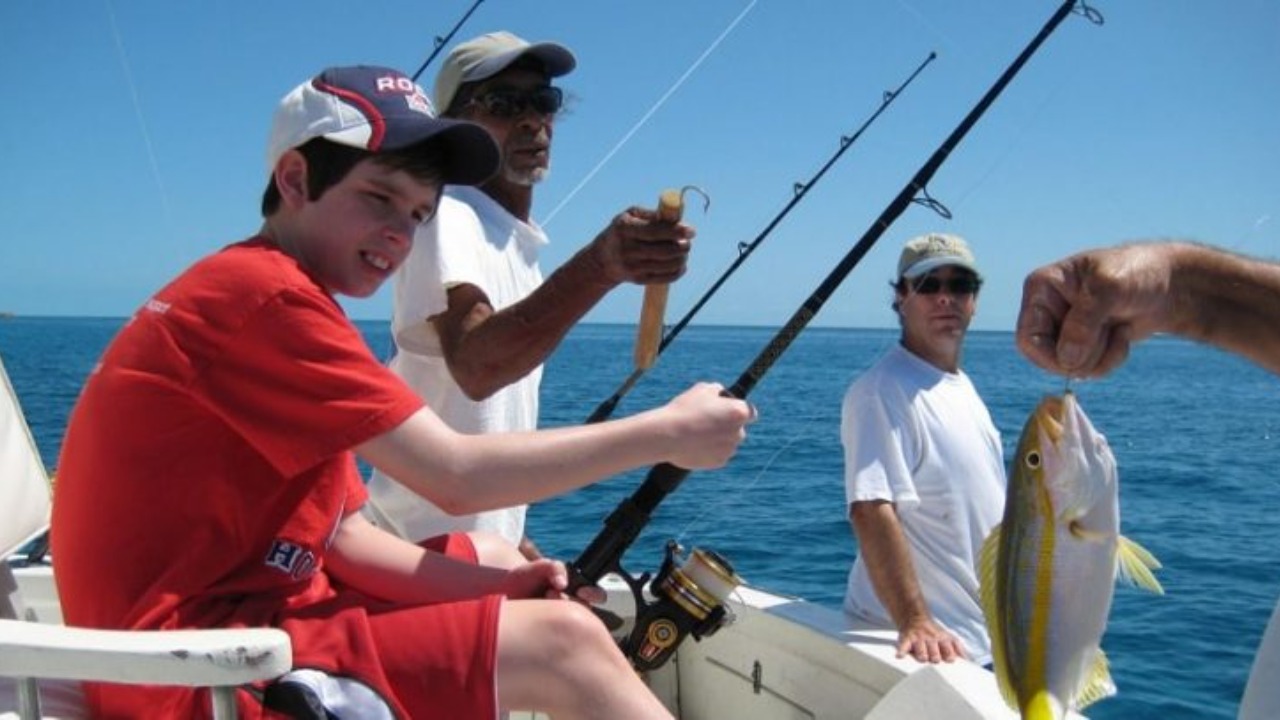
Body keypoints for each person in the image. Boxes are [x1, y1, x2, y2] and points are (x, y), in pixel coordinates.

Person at [49, 64, 752, 720]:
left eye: (418, 213)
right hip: (190, 670)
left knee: (499, 557)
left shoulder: (276, 295)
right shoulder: (265, 300)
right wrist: (667, 432)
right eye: (379, 198)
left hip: (252, 628)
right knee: (563, 644)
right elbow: (455, 477)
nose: (398, 232)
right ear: (294, 179)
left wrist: (505, 589)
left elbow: (347, 539)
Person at [366, 31, 694, 559]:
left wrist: (514, 538)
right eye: (502, 104)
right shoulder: (448, 213)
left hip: (470, 553)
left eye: (543, 101)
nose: (530, 120)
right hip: (418, 557)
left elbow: (481, 421)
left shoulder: (511, 241)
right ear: (453, 125)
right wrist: (601, 266)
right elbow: (478, 368)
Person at [1014, 240, 1280, 720]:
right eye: (1037, 460)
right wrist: (1174, 285)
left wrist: (1178, 285)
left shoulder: (1077, 524)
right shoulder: (1079, 525)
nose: (1045, 444)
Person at [840, 232, 1005, 666]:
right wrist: (914, 621)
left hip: (979, 642)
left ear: (975, 300)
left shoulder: (961, 387)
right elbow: (871, 508)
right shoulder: (881, 391)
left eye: (960, 285)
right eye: (929, 285)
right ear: (901, 297)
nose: (945, 297)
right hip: (920, 648)